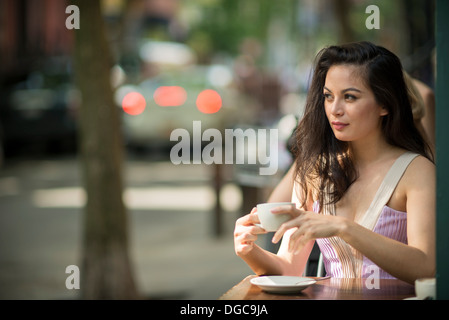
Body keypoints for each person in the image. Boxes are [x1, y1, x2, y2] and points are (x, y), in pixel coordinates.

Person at [233, 41, 435, 284]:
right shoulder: (316, 170)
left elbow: (426, 266)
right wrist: (249, 251)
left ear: (385, 104)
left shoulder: (417, 171)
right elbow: (288, 268)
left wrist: (343, 228)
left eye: (350, 97)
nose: (335, 110)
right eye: (328, 96)